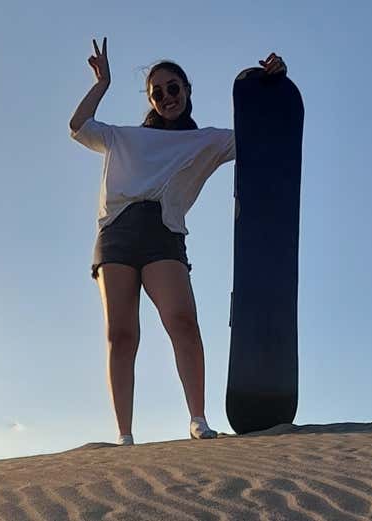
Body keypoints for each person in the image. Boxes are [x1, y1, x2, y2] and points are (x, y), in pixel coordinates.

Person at [69, 37, 287, 446]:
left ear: (187, 90)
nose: (167, 97)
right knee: (121, 334)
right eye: (157, 92)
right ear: (150, 100)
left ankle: (197, 419)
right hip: (116, 234)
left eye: (173, 88)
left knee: (183, 321)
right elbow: (78, 126)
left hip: (164, 233)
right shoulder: (121, 137)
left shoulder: (206, 140)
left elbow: (264, 135)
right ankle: (124, 435)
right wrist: (102, 84)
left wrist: (272, 84)